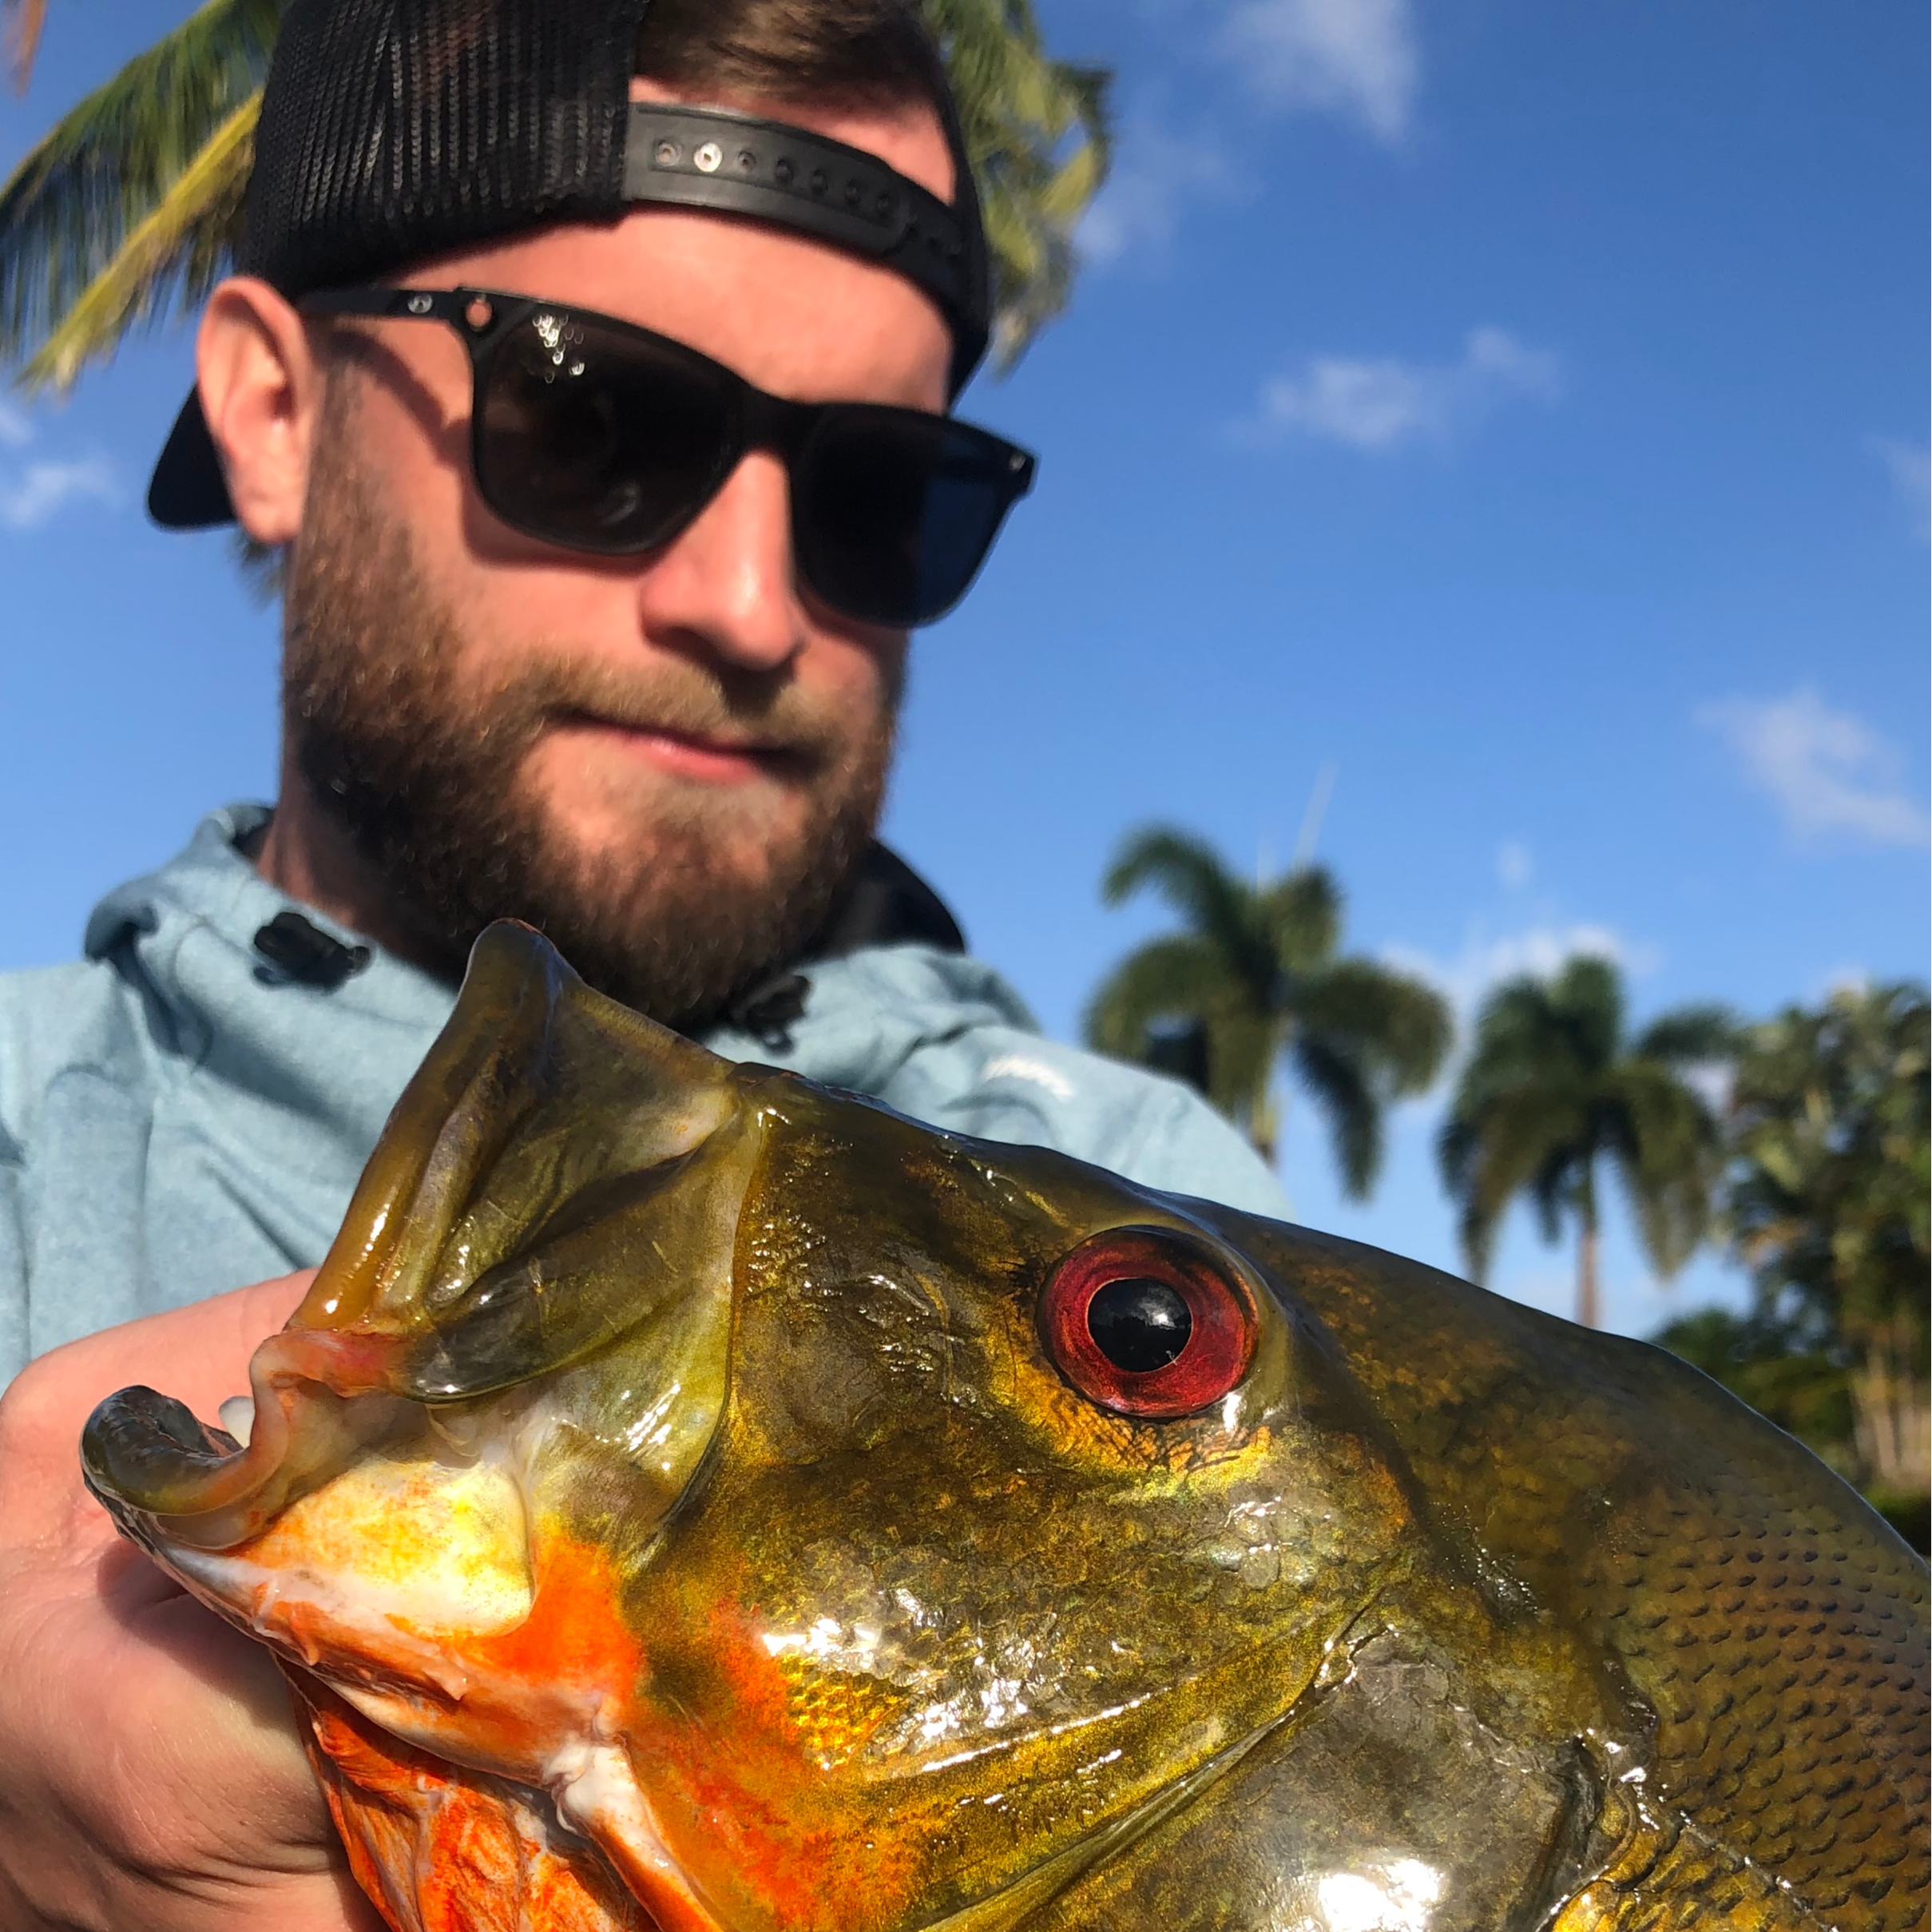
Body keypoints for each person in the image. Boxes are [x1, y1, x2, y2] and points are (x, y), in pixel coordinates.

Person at [0, 0, 1283, 1924]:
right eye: (592, 417)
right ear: (273, 412)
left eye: (877, 495)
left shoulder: (1187, 1236)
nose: (752, 606)